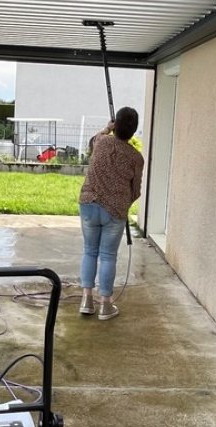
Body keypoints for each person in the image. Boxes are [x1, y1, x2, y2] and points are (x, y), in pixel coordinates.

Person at [78, 107, 144, 320]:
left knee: (90, 251)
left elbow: (94, 140)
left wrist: (107, 128)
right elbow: (135, 191)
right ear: (133, 131)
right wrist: (122, 203)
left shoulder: (101, 142)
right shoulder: (136, 158)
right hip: (114, 211)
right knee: (108, 256)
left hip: (89, 203)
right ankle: (105, 305)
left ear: (115, 125)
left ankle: (87, 301)